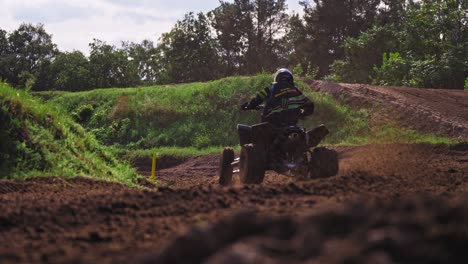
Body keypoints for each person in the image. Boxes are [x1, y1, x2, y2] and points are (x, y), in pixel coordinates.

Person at [241, 68, 314, 127]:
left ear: (277, 77)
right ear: (290, 78)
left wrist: (249, 106)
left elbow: (258, 98)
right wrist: (302, 114)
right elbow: (310, 105)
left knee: (263, 127)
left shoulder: (271, 87)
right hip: (292, 121)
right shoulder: (295, 89)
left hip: (274, 120)